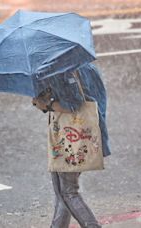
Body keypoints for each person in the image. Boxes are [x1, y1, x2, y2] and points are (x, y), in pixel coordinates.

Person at [32, 62, 111, 228]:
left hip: (70, 138)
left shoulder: (64, 71)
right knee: (62, 192)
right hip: (86, 134)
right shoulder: (86, 66)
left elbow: (73, 105)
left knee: (68, 192)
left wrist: (46, 104)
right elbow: (95, 100)